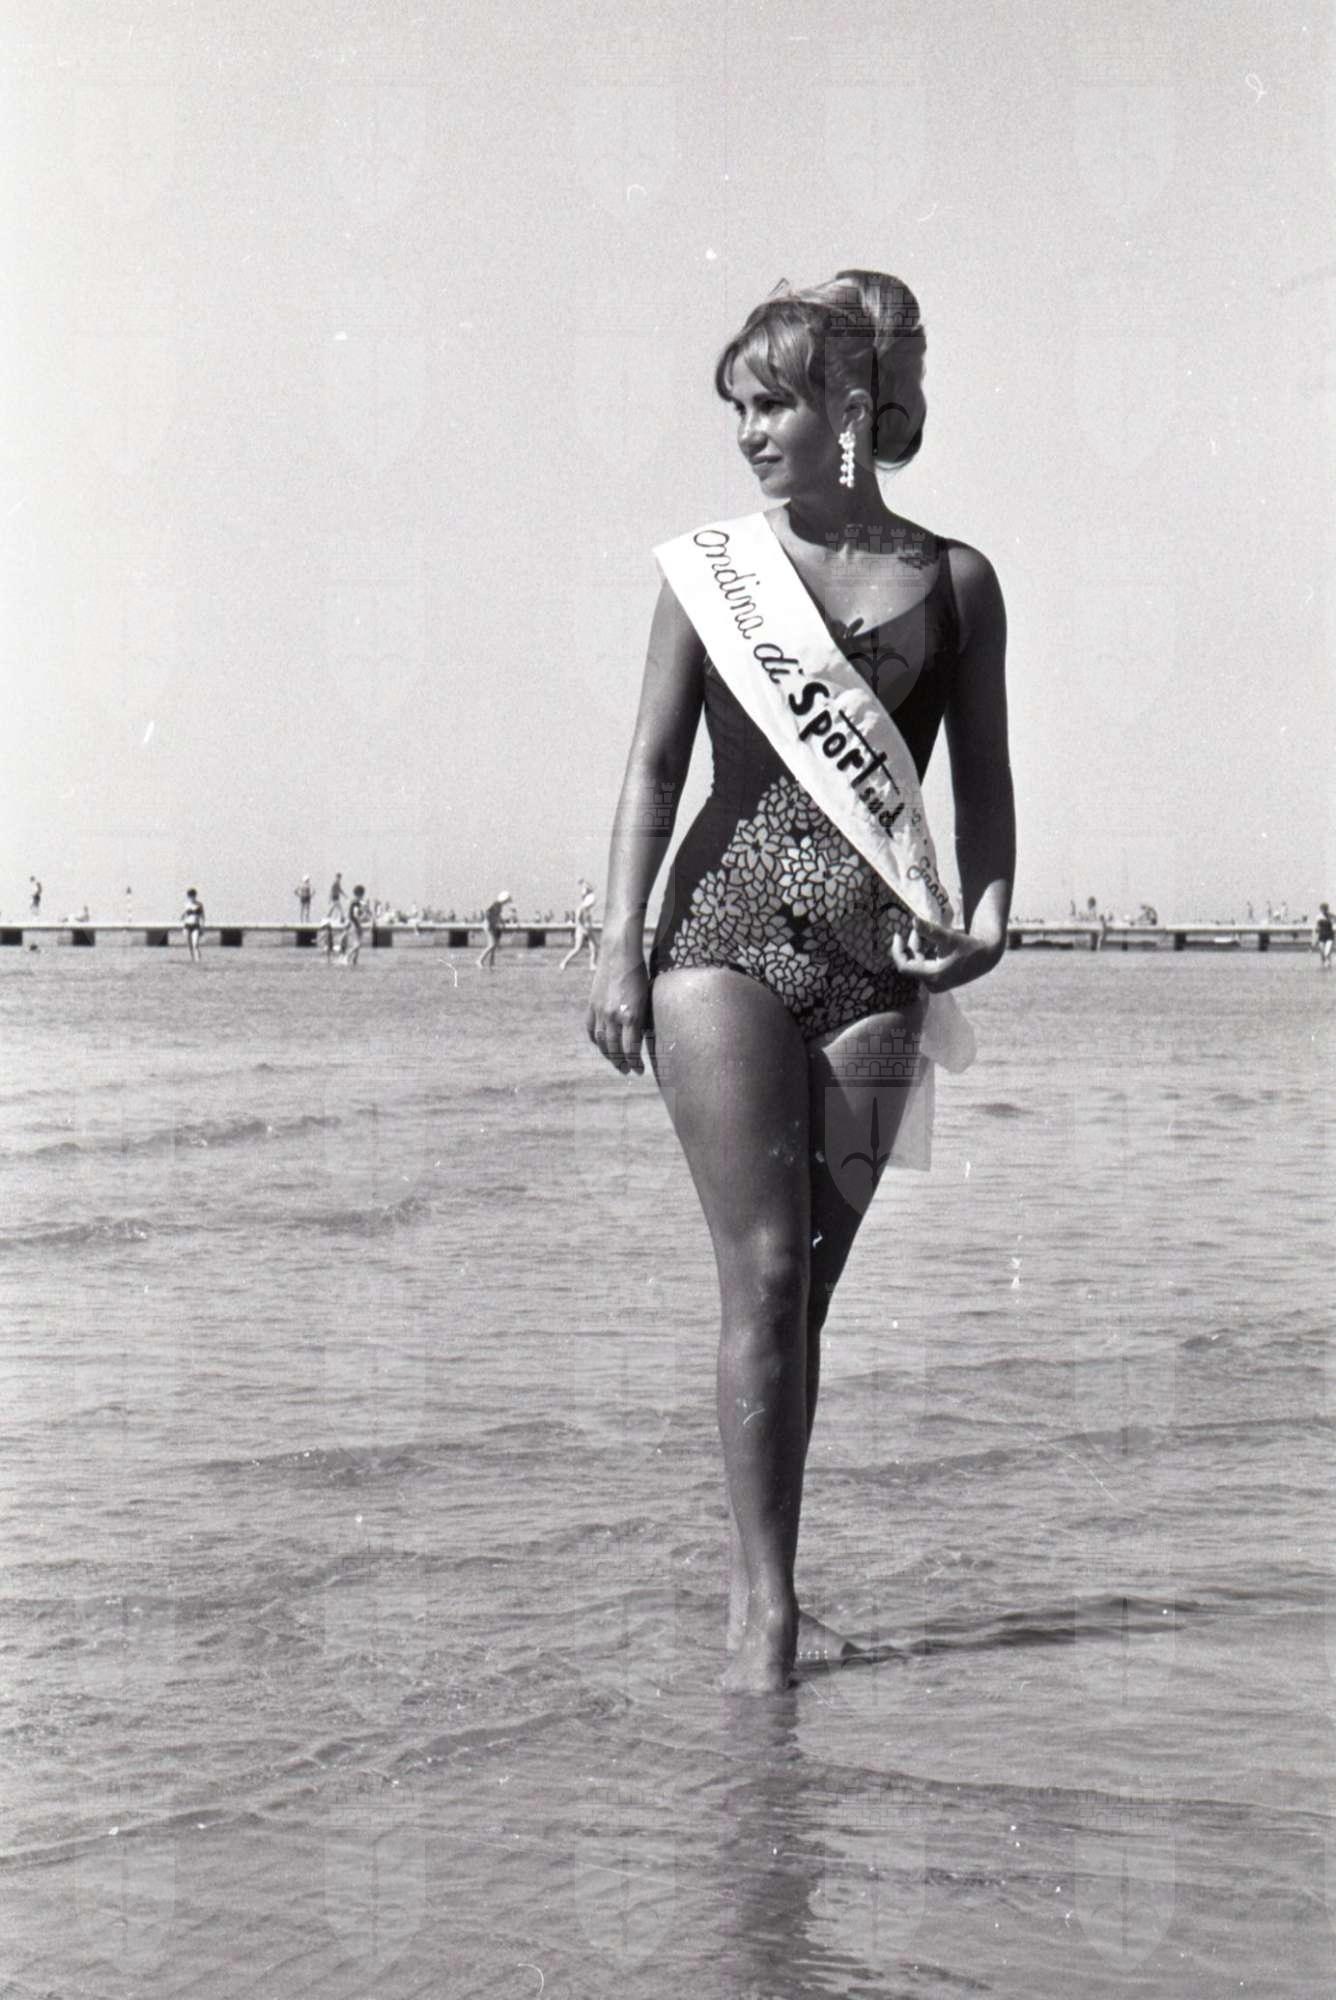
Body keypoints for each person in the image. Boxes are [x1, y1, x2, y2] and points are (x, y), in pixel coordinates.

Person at [587, 270, 1014, 1693]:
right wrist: (618, 944)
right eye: (739, 410)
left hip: (881, 972)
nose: (749, 434)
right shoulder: (707, 574)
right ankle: (766, 1625)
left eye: (772, 403)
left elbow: (984, 784)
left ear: (847, 403)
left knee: (805, 1297)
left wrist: (989, 921)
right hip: (720, 943)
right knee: (763, 1274)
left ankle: (761, 1594)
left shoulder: (957, 582)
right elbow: (652, 770)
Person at [560, 878, 600, 971]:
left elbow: (591, 887)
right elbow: (578, 916)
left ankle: (592, 965)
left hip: (587, 927)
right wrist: (581, 926)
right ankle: (564, 962)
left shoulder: (586, 907)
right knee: (577, 948)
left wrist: (584, 882)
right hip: (582, 928)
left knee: (594, 946)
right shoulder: (582, 907)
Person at [478, 890, 514, 970]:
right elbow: (486, 911)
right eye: (507, 901)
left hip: (493, 925)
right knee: (492, 944)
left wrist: (502, 922)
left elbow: (498, 915)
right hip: (488, 925)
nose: (507, 903)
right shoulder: (494, 903)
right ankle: (480, 960)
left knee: (494, 946)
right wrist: (488, 920)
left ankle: (491, 962)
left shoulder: (500, 905)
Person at [343, 883, 371, 967]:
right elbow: (355, 914)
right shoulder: (356, 902)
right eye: (362, 894)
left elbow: (350, 913)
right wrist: (361, 919)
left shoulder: (354, 902)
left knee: (357, 943)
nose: (363, 896)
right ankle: (347, 956)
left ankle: (355, 961)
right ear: (359, 894)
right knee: (358, 944)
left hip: (354, 923)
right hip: (355, 924)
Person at [180, 886, 205, 963]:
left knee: (195, 944)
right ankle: (192, 959)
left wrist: (202, 928)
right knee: (189, 945)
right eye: (190, 896)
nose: (191, 898)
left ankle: (198, 960)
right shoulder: (186, 904)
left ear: (195, 896)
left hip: (196, 926)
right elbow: (183, 916)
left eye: (193, 896)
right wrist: (183, 926)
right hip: (187, 926)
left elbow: (202, 917)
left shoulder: (199, 905)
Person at [1314, 902, 1334, 970]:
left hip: (1330, 936)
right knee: (1322, 952)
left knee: (1327, 952)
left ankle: (1328, 964)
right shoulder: (1318, 917)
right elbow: (1316, 928)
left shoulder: (1332, 916)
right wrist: (1314, 939)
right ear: (1321, 909)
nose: (1324, 910)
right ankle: (1323, 965)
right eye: (1323, 909)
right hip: (1321, 936)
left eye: (1325, 909)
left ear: (1327, 909)